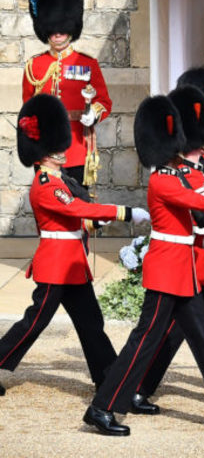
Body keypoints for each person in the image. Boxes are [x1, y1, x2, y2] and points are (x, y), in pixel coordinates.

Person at [85, 95, 204, 435]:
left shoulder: (180, 173)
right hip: (166, 271)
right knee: (143, 342)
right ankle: (102, 408)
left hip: (183, 270)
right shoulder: (163, 180)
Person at [0, 95, 148, 396]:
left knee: (91, 322)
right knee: (34, 323)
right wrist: (124, 212)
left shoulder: (62, 179)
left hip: (73, 265)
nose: (62, 151)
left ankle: (108, 379)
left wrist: (95, 222)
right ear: (42, 153)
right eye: (55, 148)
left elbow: (78, 217)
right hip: (56, 265)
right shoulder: (46, 184)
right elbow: (75, 210)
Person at [23, 0, 111, 188]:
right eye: (52, 29)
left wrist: (93, 114)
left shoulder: (87, 64)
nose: (58, 33)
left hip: (77, 150)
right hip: (45, 152)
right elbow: (27, 109)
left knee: (79, 209)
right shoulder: (34, 66)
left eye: (62, 28)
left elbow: (104, 102)